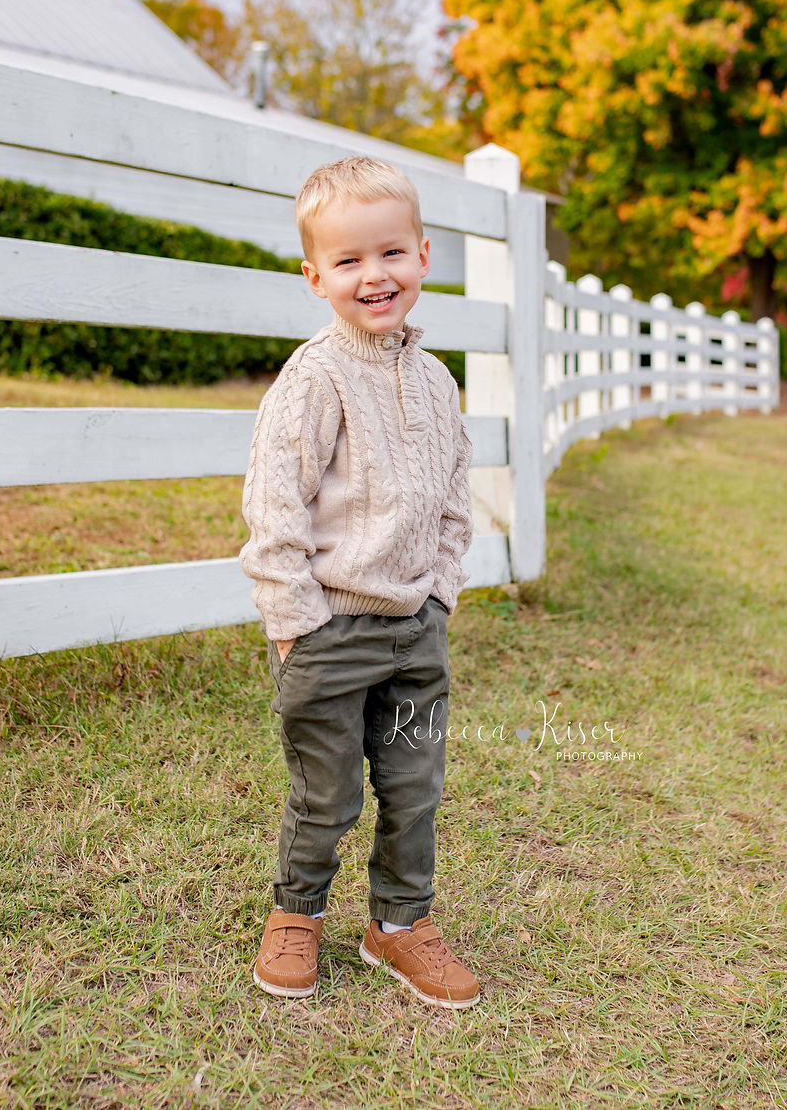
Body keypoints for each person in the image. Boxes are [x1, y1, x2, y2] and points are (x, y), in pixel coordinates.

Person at [239, 155, 480, 1010]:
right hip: (331, 632)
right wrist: (295, 622)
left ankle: (399, 924)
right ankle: (296, 912)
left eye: (390, 254)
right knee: (328, 788)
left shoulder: (438, 379)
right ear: (315, 277)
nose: (373, 276)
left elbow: (456, 495)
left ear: (422, 255)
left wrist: (441, 592)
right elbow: (275, 509)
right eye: (348, 262)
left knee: (415, 786)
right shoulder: (315, 380)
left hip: (415, 629)